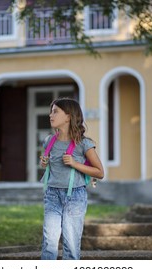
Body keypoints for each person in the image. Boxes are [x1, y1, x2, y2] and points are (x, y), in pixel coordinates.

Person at [39, 97, 104, 260]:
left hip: (75, 197)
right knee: (49, 242)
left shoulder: (83, 143)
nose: (50, 115)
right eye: (50, 112)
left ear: (68, 117)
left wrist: (75, 163)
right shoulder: (49, 141)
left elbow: (99, 172)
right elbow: (47, 166)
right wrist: (44, 162)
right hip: (52, 194)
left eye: (55, 112)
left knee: (71, 243)